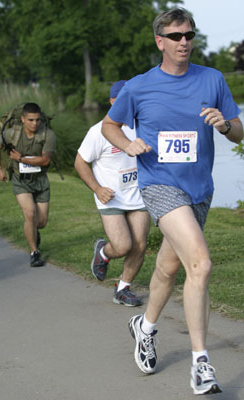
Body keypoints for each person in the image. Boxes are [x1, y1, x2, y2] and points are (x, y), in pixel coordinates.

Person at [101, 8, 243, 395]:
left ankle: (144, 327)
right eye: (176, 35)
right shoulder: (139, 86)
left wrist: (225, 124)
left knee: (168, 268)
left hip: (199, 189)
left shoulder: (212, 79)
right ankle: (201, 364)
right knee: (200, 263)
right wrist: (128, 143)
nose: (185, 42)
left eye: (190, 35)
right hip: (159, 184)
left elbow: (238, 131)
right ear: (160, 41)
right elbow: (109, 125)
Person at [74, 80, 150, 306]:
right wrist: (97, 189)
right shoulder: (98, 131)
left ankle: (123, 288)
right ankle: (104, 252)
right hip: (111, 198)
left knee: (140, 245)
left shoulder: (142, 126)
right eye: (120, 100)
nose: (126, 104)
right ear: (112, 102)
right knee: (122, 246)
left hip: (138, 196)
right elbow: (80, 163)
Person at [0, 102, 56, 268]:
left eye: (37, 120)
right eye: (31, 120)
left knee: (41, 222)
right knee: (29, 214)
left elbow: (46, 160)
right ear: (22, 119)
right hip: (20, 180)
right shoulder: (12, 133)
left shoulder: (48, 134)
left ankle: (34, 233)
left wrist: (20, 158)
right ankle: (34, 252)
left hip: (40, 180)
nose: (35, 124)